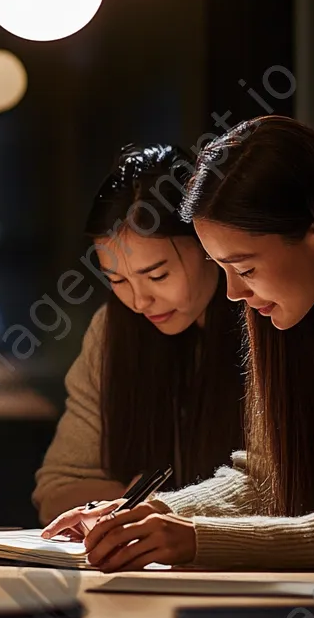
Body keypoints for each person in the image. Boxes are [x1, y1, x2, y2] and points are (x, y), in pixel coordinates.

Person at [43, 116, 314, 575]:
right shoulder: (293, 318)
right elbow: (266, 478)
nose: (232, 294)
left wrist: (199, 539)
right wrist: (156, 513)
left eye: (243, 268)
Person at [33, 145, 245, 524]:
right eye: (116, 280)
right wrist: (135, 502)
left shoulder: (266, 315)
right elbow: (55, 492)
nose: (139, 300)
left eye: (157, 275)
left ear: (208, 244)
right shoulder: (114, 330)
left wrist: (162, 507)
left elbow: (292, 490)